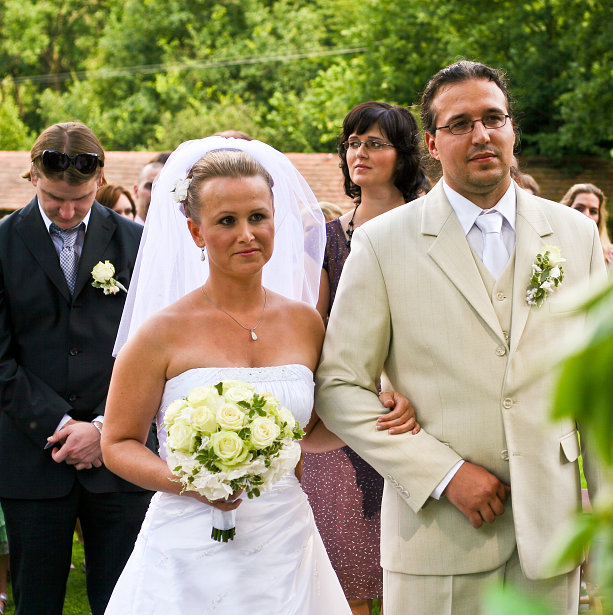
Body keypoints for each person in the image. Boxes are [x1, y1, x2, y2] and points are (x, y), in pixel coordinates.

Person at [315, 61, 606, 615]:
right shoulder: (381, 243)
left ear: (512, 129)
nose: (481, 135)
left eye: (494, 118)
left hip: (552, 536)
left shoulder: (575, 234)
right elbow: (338, 386)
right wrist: (442, 474)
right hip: (437, 536)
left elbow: (602, 386)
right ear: (431, 142)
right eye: (460, 124)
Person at [100, 138, 417, 613]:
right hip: (186, 544)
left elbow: (314, 430)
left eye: (257, 217)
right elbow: (118, 443)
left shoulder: (306, 323)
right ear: (196, 231)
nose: (247, 234)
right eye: (226, 221)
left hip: (284, 537)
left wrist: (379, 410)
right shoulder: (160, 333)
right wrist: (193, 483)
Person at [0, 122, 152, 615]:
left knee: (125, 602)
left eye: (81, 200)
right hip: (32, 458)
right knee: (35, 602)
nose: (67, 213)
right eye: (53, 199)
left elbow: (155, 351)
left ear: (100, 178)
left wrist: (105, 428)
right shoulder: (2, 243)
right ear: (32, 176)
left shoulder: (139, 243)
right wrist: (61, 425)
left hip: (123, 457)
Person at [304, 101, 428, 615]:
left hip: (419, 412)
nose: (359, 152)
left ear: (403, 155)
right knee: (346, 582)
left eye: (375, 143)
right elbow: (316, 330)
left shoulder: (432, 225)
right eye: (353, 143)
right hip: (344, 420)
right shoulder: (327, 238)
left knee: (417, 583)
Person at [560, 183, 613, 269]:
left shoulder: (611, 257)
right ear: (565, 209)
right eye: (579, 208)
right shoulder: (550, 247)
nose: (586, 215)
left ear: (600, 218)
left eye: (593, 211)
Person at [132, 154, 169, 223]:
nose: (155, 194)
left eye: (161, 189)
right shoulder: (122, 227)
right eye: (150, 187)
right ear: (136, 191)